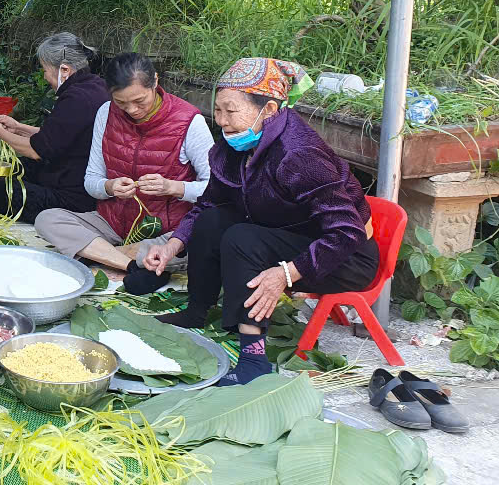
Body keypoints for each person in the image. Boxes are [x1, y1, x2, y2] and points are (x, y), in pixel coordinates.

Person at [149, 58, 379, 386]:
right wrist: (173, 244)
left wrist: (287, 273)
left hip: (343, 256)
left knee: (243, 240)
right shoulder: (234, 145)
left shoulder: (299, 154)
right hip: (288, 232)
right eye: (218, 110)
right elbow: (210, 202)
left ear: (269, 110)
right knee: (214, 220)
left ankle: (253, 361)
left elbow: (346, 232)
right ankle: (196, 310)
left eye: (231, 111)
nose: (222, 121)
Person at [35, 53, 213, 295]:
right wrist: (109, 187)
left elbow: (214, 190)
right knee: (47, 219)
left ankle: (100, 255)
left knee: (198, 242)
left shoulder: (188, 121)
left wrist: (172, 187)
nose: (132, 110)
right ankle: (130, 265)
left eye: (140, 101)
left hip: (166, 232)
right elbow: (91, 180)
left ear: (155, 81)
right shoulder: (106, 113)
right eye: (121, 103)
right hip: (112, 225)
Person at [0, 33, 110, 223]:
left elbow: (37, 151)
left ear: (64, 70)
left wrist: (0, 133)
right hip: (70, 173)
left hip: (73, 197)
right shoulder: (96, 85)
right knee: (16, 167)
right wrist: (17, 127)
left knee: (1, 189)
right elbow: (57, 137)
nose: (44, 76)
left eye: (45, 70)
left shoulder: (76, 99)